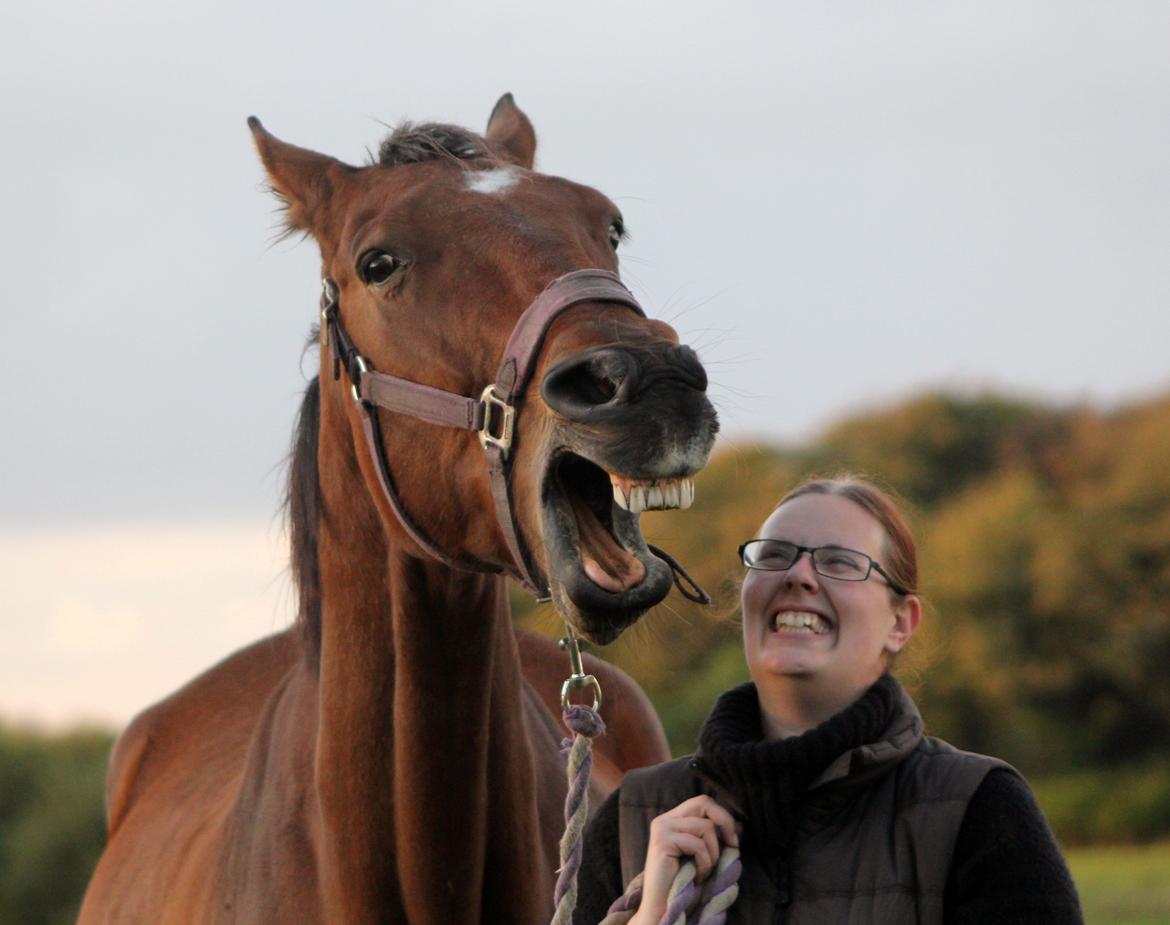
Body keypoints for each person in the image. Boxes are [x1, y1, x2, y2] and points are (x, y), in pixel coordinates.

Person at [573, 476, 1083, 924]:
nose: (798, 575)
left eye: (840, 562)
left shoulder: (978, 808)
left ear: (900, 623)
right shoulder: (634, 818)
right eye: (773, 556)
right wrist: (650, 918)